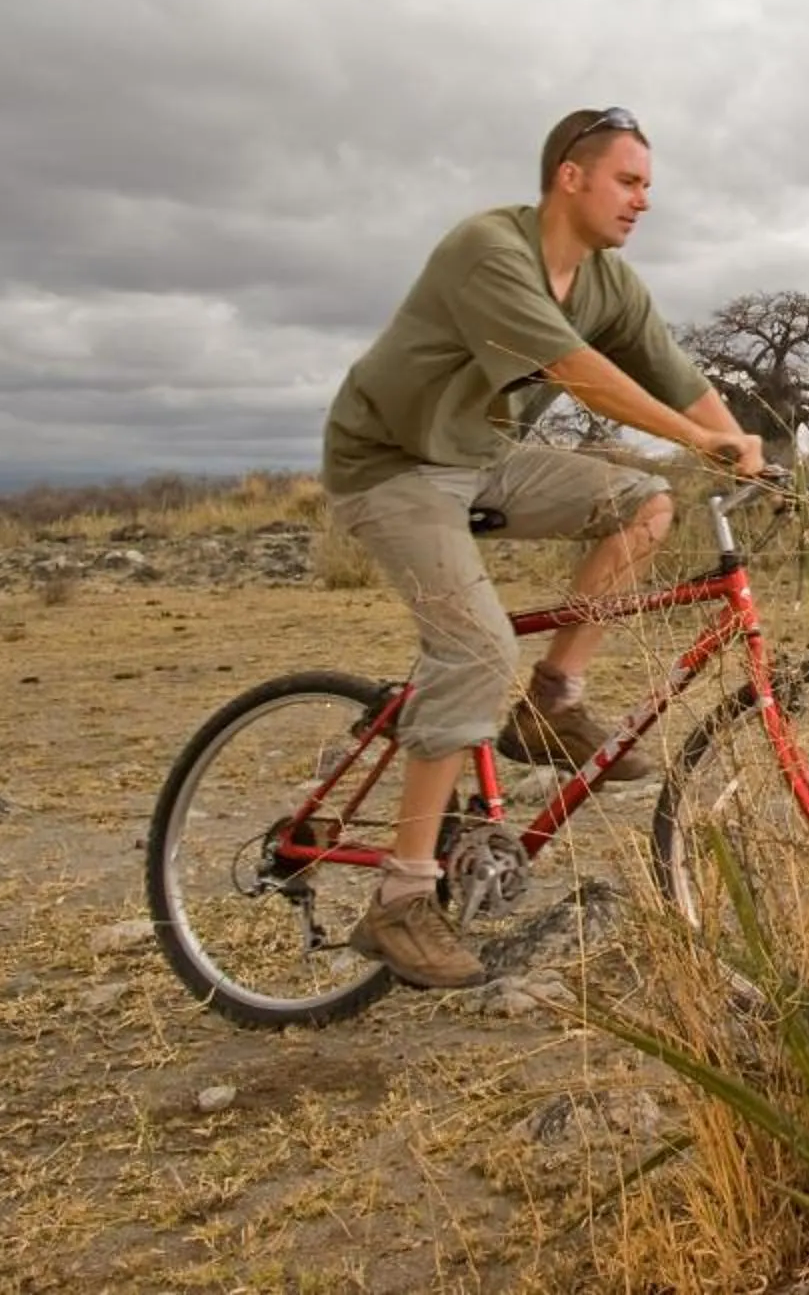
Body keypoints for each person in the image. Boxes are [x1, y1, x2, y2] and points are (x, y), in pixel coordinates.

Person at [320, 107, 766, 989]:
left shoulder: (607, 281)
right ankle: (401, 900)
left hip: (481, 460)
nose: (643, 201)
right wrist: (696, 437)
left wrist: (743, 444)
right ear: (571, 176)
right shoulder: (489, 250)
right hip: (391, 465)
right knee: (477, 647)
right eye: (628, 181)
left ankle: (551, 701)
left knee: (644, 504)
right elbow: (577, 371)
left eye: (647, 186)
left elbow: (672, 371)